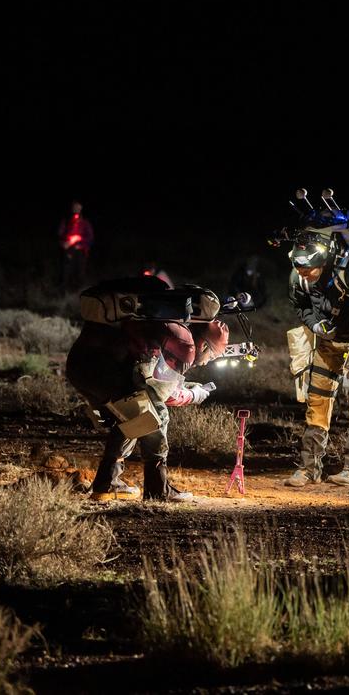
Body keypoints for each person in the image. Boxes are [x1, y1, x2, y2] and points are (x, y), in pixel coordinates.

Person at [65, 277, 229, 501]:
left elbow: (151, 373)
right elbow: (163, 393)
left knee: (131, 415)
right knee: (154, 415)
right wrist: (193, 394)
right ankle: (157, 490)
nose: (205, 362)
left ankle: (106, 484)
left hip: (80, 366)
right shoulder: (186, 343)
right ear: (204, 344)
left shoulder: (164, 324)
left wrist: (183, 386)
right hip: (104, 372)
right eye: (210, 356)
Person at [284, 225, 349, 487]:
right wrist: (316, 325)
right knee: (317, 399)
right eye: (298, 267)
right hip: (329, 341)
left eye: (308, 268)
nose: (303, 274)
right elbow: (302, 306)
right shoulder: (298, 276)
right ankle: (309, 469)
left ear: (322, 259)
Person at [58, 200, 95, 290]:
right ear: (72, 208)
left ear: (81, 209)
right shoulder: (66, 221)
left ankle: (80, 292)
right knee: (66, 272)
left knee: (80, 273)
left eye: (78, 207)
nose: (76, 209)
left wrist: (79, 238)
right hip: (69, 250)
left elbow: (90, 237)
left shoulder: (85, 222)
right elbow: (60, 234)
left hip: (81, 251)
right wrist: (64, 243)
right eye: (75, 207)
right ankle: (63, 293)